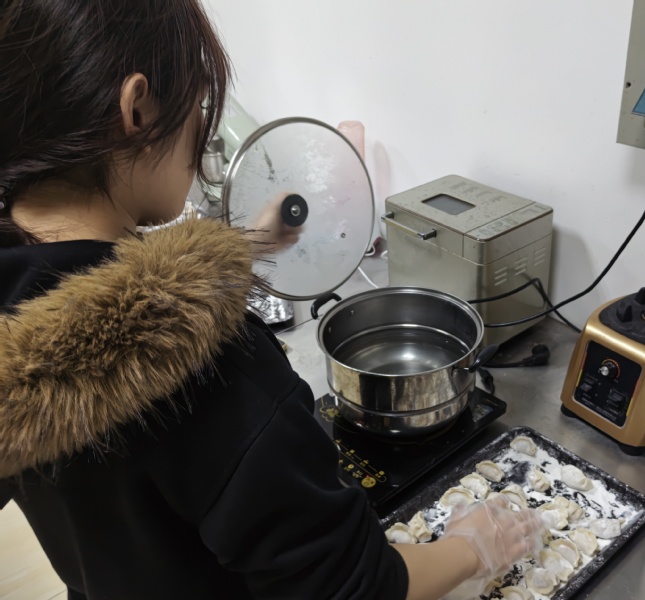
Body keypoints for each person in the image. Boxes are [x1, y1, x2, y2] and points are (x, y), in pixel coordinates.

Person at [0, 2, 543, 599]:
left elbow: (93, 300)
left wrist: (245, 247)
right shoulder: (214, 374)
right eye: (199, 107)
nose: (200, 134)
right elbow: (357, 588)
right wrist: (473, 547)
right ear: (137, 109)